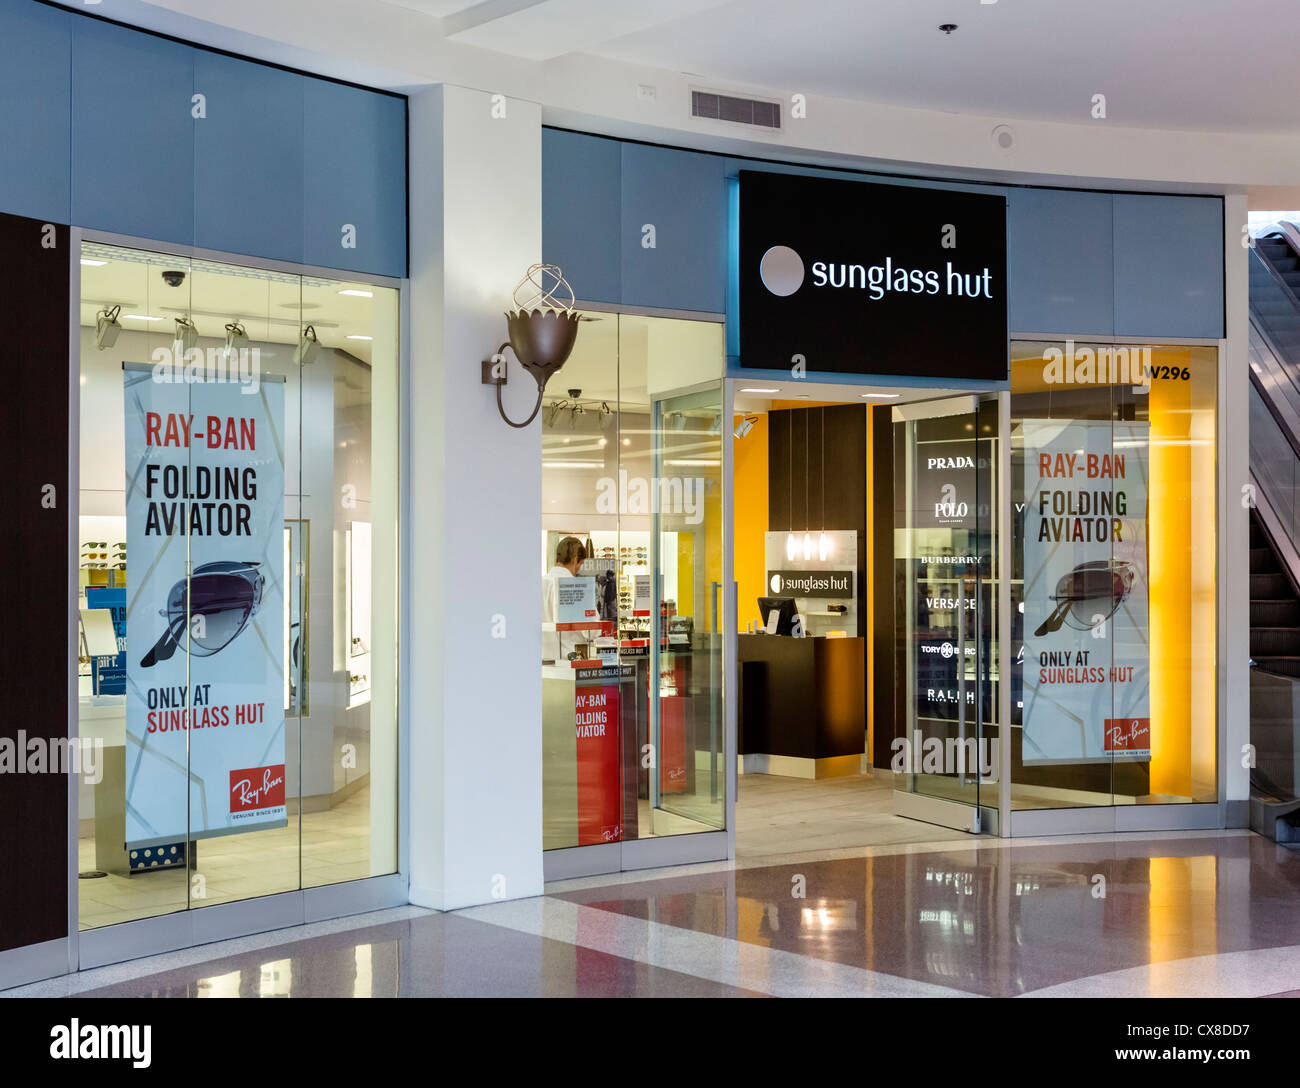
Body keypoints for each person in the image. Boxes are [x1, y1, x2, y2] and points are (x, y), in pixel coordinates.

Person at [543, 536, 586, 663]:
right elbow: (592, 632)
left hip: (542, 659)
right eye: (580, 564)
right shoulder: (577, 586)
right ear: (575, 560)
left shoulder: (538, 584)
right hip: (570, 661)